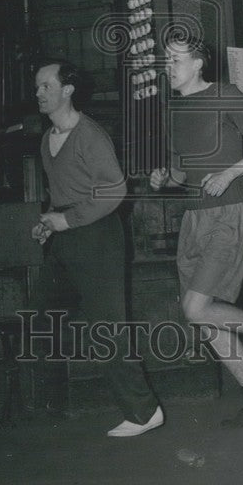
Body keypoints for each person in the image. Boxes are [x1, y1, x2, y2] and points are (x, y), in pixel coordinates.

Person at [150, 33, 243, 428]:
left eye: (175, 59)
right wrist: (163, 177)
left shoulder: (225, 94)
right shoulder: (173, 108)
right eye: (166, 59)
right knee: (205, 320)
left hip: (230, 211)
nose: (168, 66)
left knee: (196, 307)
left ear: (197, 64)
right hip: (194, 218)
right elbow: (180, 170)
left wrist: (227, 174)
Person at [31, 60, 163, 437]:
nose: (38, 93)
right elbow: (65, 194)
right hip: (65, 240)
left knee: (107, 328)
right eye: (37, 87)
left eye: (45, 86)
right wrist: (49, 222)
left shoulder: (90, 135)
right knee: (41, 316)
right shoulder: (47, 139)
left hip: (97, 237)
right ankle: (48, 407)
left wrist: (67, 220)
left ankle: (143, 412)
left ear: (67, 90)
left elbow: (115, 191)